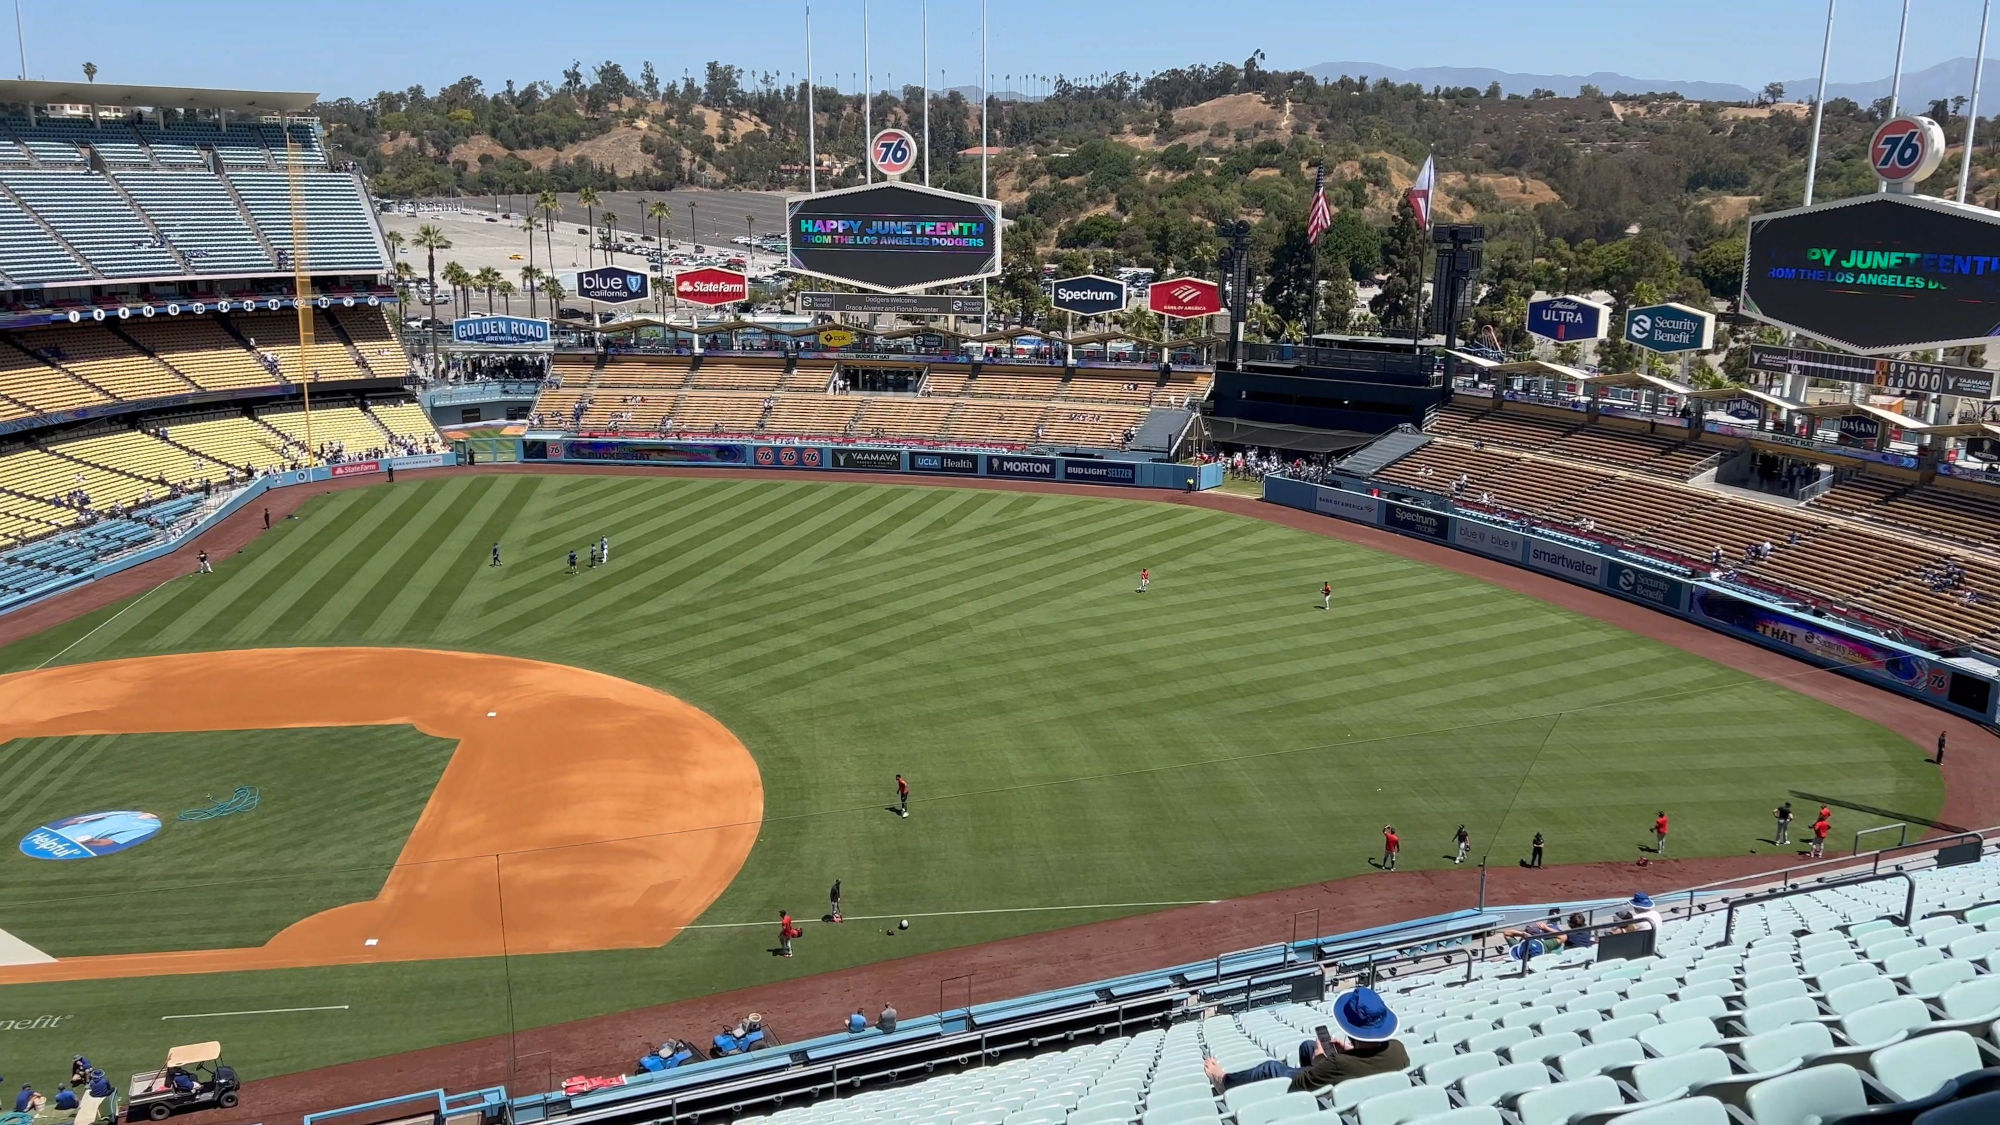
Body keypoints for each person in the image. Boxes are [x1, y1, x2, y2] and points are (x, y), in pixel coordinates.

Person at [1202, 987, 1408, 1094]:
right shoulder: (1398, 1048)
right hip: (1366, 1086)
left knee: (1271, 1068)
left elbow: (1297, 1086)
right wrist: (1348, 1052)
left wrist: (1320, 1061)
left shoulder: (1337, 1063)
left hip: (1336, 1088)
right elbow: (1368, 1063)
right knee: (1306, 1046)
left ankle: (1223, 1080)